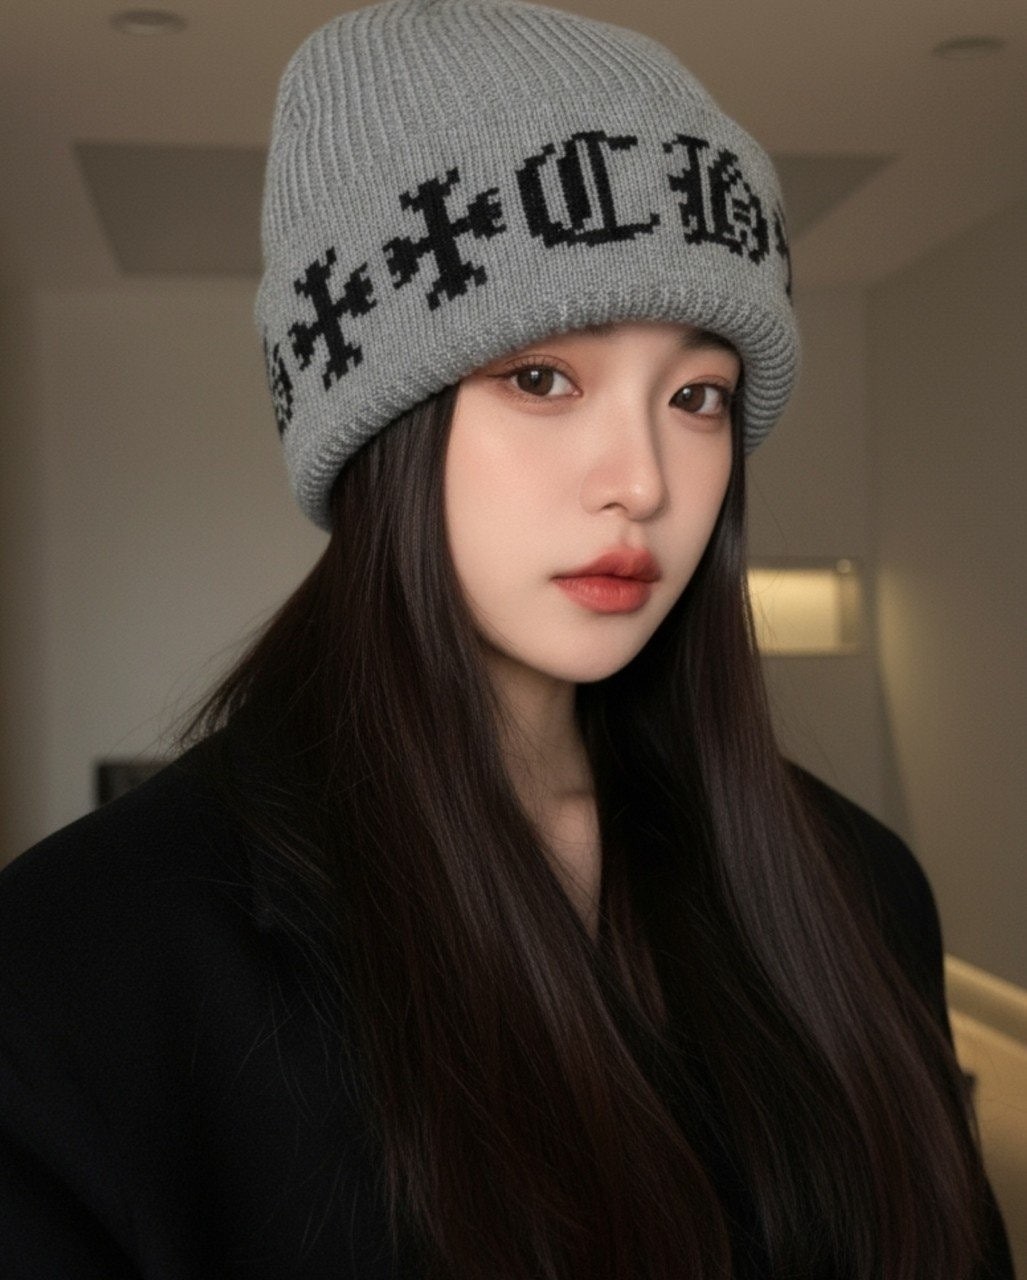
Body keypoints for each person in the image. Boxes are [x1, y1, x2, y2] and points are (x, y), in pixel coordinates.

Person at [0, 0, 1014, 1277]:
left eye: (696, 395)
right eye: (542, 377)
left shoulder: (857, 888)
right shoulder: (74, 969)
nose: (641, 479)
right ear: (374, 420)